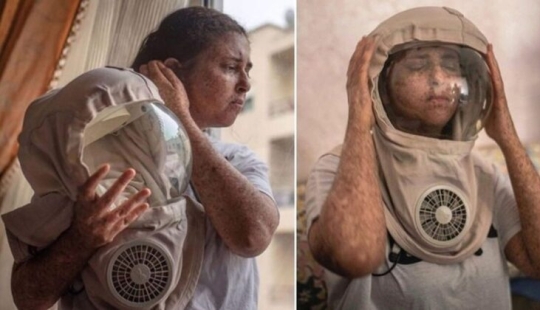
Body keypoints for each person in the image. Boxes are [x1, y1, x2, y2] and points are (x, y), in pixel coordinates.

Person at [3, 6, 279, 310]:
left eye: (248, 70)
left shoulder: (239, 161)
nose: (245, 83)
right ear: (171, 73)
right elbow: (28, 298)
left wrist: (179, 119)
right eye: (230, 67)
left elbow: (253, 236)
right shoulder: (92, 161)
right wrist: (80, 238)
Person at [305, 6, 540, 309]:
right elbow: (355, 255)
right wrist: (359, 122)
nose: (439, 78)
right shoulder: (335, 169)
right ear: (381, 84)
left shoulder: (485, 174)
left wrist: (507, 137)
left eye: (451, 65)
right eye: (417, 65)